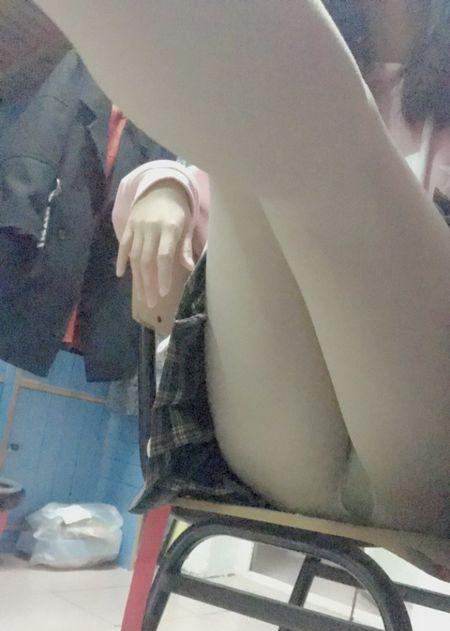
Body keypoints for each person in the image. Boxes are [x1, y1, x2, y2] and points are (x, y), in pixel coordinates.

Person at [35, 0, 449, 538]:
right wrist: (168, 184)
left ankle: (312, 131)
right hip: (288, 452)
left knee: (301, 134)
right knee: (251, 149)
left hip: (427, 452)